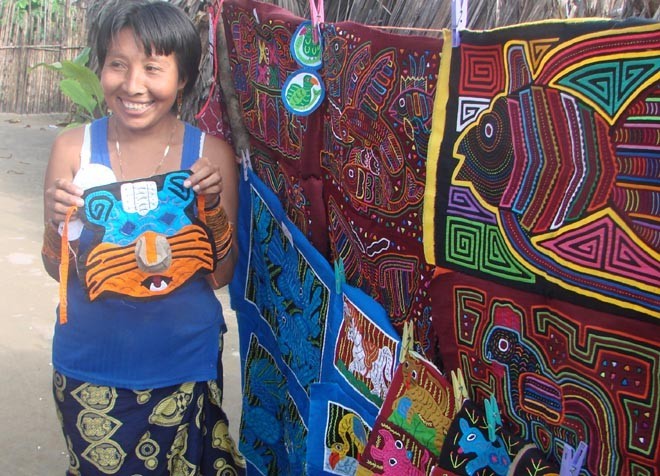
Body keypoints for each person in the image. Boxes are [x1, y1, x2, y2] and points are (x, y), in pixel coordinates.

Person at [41, 1, 245, 474]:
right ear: (101, 67)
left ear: (185, 78)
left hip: (186, 362)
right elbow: (57, 269)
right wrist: (57, 229)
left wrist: (209, 208)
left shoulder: (207, 157)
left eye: (153, 68)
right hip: (90, 365)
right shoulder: (73, 150)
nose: (133, 85)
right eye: (118, 64)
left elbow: (221, 274)